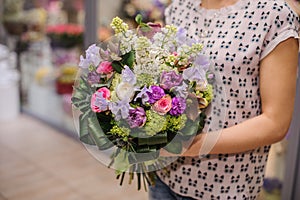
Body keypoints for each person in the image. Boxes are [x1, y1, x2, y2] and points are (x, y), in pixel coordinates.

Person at [149, 0, 300, 199]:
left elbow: (275, 123)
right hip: (163, 179)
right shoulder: (179, 6)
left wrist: (191, 146)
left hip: (225, 187)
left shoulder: (274, 14)